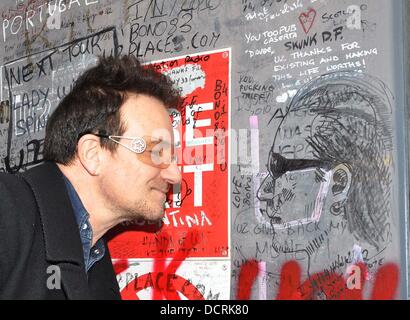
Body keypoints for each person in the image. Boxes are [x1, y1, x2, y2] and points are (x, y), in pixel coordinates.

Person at [0, 55, 182, 299]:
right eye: (156, 152)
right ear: (93, 154)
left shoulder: (95, 263)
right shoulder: (7, 210)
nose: (174, 174)